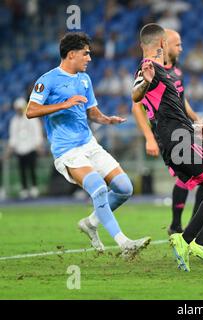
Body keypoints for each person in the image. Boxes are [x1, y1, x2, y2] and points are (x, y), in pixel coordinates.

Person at [26, 32, 150, 258]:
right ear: (71, 54)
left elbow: (91, 111)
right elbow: (31, 111)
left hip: (89, 144)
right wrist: (64, 104)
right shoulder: (48, 80)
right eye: (86, 54)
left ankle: (91, 223)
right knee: (100, 189)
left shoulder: (85, 79)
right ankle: (124, 243)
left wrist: (106, 119)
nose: (89, 58)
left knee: (124, 188)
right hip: (67, 150)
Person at [132, 24, 203, 270]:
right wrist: (145, 83)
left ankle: (184, 239)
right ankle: (201, 242)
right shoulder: (149, 68)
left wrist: (196, 128)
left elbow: (169, 111)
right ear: (162, 44)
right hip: (178, 142)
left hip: (181, 138)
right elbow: (135, 95)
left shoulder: (165, 72)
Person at [132, 28, 203, 235]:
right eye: (177, 44)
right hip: (167, 135)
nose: (181, 49)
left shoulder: (176, 71)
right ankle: (187, 227)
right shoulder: (151, 70)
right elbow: (136, 105)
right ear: (163, 44)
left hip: (183, 130)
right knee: (200, 177)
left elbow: (181, 100)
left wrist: (196, 119)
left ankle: (182, 227)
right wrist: (149, 138)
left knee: (195, 177)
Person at [7, 97, 43, 199]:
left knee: (32, 168)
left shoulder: (32, 117)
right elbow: (13, 136)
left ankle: (34, 188)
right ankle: (24, 189)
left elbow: (37, 132)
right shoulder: (14, 121)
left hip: (31, 147)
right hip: (20, 149)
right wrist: (11, 148)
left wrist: (38, 144)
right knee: (22, 170)